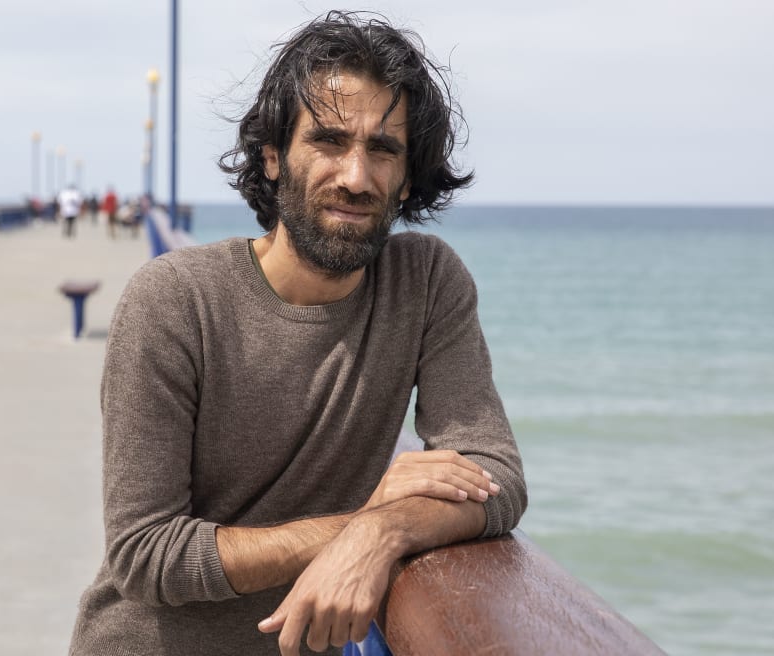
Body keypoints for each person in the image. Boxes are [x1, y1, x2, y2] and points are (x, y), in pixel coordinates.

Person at [70, 11, 527, 656]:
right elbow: (145, 554)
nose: (356, 176)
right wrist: (359, 526)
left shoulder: (425, 282)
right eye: (330, 141)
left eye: (383, 150)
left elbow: (497, 476)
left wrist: (385, 536)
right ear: (274, 157)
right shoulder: (174, 300)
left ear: (405, 179)